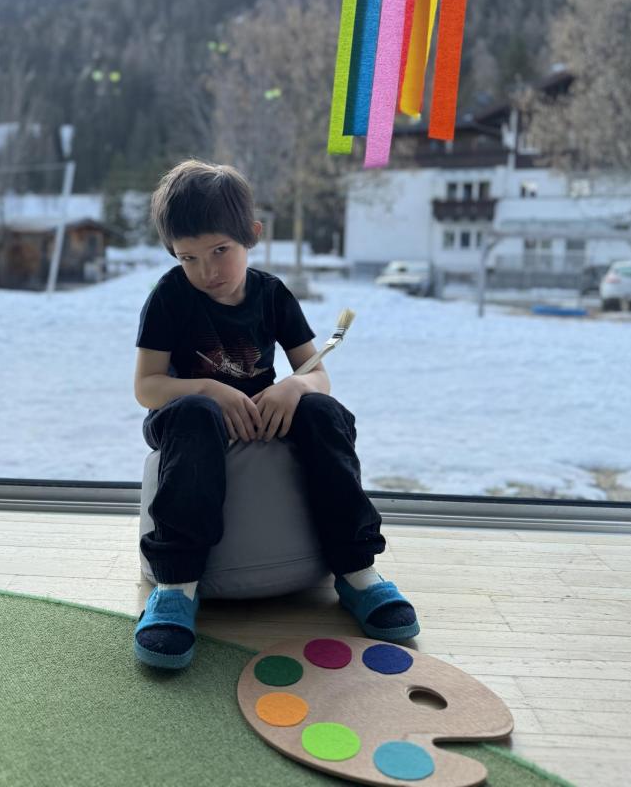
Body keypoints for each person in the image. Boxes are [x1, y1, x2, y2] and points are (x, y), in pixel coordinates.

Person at [133, 159, 419, 669]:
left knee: (323, 413)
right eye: (188, 257)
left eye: (220, 251)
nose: (207, 271)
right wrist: (208, 388)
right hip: (188, 421)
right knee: (196, 413)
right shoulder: (170, 297)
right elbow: (147, 387)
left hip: (261, 414)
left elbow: (318, 374)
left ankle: (356, 571)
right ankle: (177, 586)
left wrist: (293, 386)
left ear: (253, 235)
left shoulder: (272, 295)